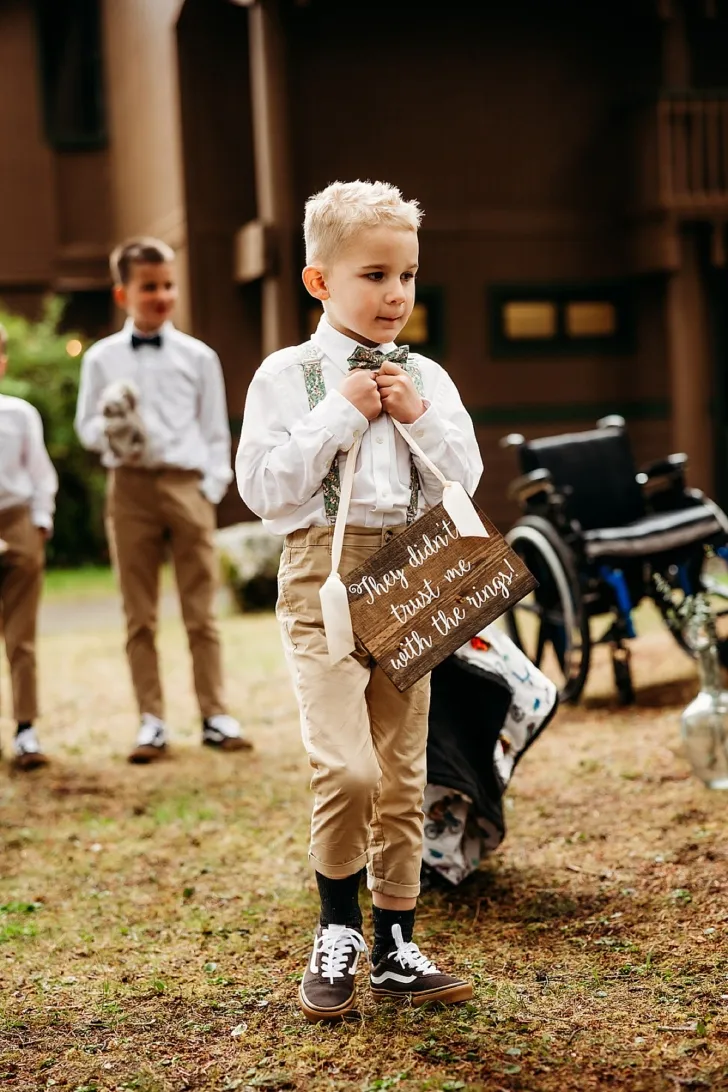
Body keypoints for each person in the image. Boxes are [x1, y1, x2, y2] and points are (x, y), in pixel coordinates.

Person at [237, 180, 483, 1021]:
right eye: (374, 275)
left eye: (407, 275)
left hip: (413, 570)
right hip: (323, 573)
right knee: (347, 766)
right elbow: (264, 490)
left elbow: (464, 477)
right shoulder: (287, 376)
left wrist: (416, 415)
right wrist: (338, 416)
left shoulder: (427, 375)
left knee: (404, 769)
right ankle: (337, 926)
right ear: (320, 281)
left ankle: (395, 943)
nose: (395, 294)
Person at [75, 237, 252, 764]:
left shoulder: (199, 357)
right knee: (139, 614)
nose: (161, 296)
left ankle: (215, 715)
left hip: (186, 485)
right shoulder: (101, 359)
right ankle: (151, 721)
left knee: (202, 612)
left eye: (168, 285)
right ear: (123, 294)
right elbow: (86, 427)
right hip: (129, 488)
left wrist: (209, 487)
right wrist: (112, 430)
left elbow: (215, 430)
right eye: (149, 286)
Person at [0, 322, 58, 770]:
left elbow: (40, 472)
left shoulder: (19, 415)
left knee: (21, 637)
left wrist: (39, 522)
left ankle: (26, 729)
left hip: (16, 520)